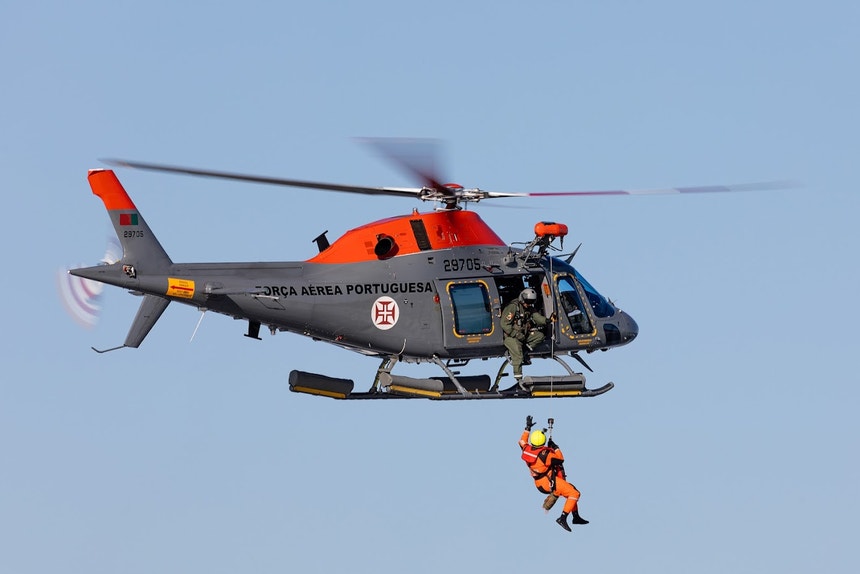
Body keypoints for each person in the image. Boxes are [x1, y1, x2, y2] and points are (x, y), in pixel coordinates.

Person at [518, 415, 589, 532]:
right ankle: (562, 518)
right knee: (574, 494)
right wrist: (555, 447)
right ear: (543, 442)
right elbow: (560, 459)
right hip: (549, 482)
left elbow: (522, 441)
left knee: (571, 489)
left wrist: (527, 428)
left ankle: (575, 516)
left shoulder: (526, 450)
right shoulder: (545, 455)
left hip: (540, 483)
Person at [501, 288, 551, 381]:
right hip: (511, 337)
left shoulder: (529, 308)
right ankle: (518, 377)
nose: (528, 304)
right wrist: (515, 334)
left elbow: (536, 317)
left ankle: (525, 351)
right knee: (518, 355)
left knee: (539, 336)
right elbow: (504, 324)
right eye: (527, 302)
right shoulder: (513, 307)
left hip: (523, 335)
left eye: (531, 302)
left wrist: (547, 320)